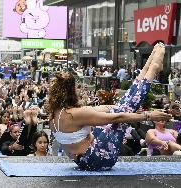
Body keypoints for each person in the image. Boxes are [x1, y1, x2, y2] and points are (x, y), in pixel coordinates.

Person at [48, 43, 172, 171]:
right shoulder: (75, 114)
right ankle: (152, 69)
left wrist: (117, 107)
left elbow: (99, 109)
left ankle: (148, 68)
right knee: (124, 111)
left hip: (84, 160)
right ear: (72, 90)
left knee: (124, 107)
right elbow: (117, 117)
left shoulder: (55, 116)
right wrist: (148, 115)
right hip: (98, 159)